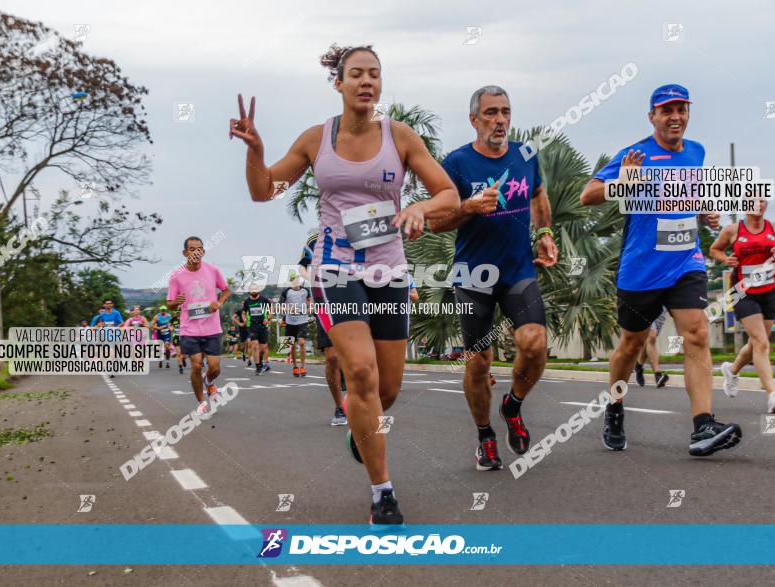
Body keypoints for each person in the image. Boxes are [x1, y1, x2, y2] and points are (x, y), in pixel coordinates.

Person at [230, 44, 458, 525]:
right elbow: (261, 191)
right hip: (335, 269)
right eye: (356, 74)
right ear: (339, 83)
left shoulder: (401, 136)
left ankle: (361, 428)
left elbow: (448, 194)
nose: (366, 81)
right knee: (361, 373)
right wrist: (257, 153)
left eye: (374, 74)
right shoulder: (317, 139)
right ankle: (383, 493)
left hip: (389, 272)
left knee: (387, 390)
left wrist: (419, 208)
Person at [579, 83, 742, 457]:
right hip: (642, 269)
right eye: (666, 110)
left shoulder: (697, 152)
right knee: (631, 344)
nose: (675, 117)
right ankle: (615, 407)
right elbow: (588, 195)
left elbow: (686, 194)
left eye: (681, 109)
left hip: (686, 260)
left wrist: (702, 211)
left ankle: (703, 427)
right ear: (652, 116)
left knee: (697, 334)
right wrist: (625, 181)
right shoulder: (635, 154)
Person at [430, 85, 557, 471]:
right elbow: (436, 222)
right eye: (490, 113)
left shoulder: (525, 155)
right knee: (478, 363)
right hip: (474, 275)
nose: (499, 120)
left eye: (505, 112)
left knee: (534, 343)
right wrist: (468, 207)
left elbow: (538, 195)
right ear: (474, 119)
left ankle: (513, 405)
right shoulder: (457, 164)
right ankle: (485, 435)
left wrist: (545, 233)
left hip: (518, 268)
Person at [710, 200, 775, 413]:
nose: (757, 205)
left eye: (761, 202)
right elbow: (715, 250)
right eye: (752, 202)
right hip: (743, 292)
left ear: (765, 206)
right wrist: (725, 259)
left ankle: (732, 369)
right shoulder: (733, 230)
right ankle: (773, 395)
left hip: (768, 291)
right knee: (761, 343)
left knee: (757, 342)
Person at [167, 236, 231, 414]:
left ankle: (209, 381)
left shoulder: (213, 270)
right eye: (192, 249)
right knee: (196, 365)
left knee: (214, 367)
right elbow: (169, 304)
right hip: (190, 329)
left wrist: (219, 303)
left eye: (199, 249)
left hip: (212, 328)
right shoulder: (176, 276)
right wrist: (176, 302)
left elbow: (226, 290)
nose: (196, 252)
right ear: (185, 252)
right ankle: (201, 402)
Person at [299, 231, 347, 425]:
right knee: (333, 357)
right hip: (324, 300)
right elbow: (302, 266)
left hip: (351, 298)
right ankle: (339, 408)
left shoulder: (349, 232)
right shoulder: (312, 239)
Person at [278, 277, 312, 377]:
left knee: (301, 342)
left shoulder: (306, 290)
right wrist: (288, 310)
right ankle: (295, 367)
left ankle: (303, 367)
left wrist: (309, 308)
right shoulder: (286, 291)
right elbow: (280, 305)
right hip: (290, 321)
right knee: (291, 345)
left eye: (296, 280)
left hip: (302, 320)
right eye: (293, 280)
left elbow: (309, 300)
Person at [634, 310, 670, 388]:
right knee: (651, 337)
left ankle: (639, 365)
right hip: (646, 304)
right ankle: (658, 375)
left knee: (649, 341)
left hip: (661, 308)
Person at [241, 286, 273, 375]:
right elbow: (243, 313)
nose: (255, 293)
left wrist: (268, 318)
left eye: (256, 291)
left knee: (263, 349)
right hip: (253, 326)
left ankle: (261, 360)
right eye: (253, 292)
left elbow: (271, 310)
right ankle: (258, 366)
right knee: (254, 345)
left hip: (263, 325)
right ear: (250, 292)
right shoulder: (247, 302)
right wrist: (244, 319)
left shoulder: (264, 300)